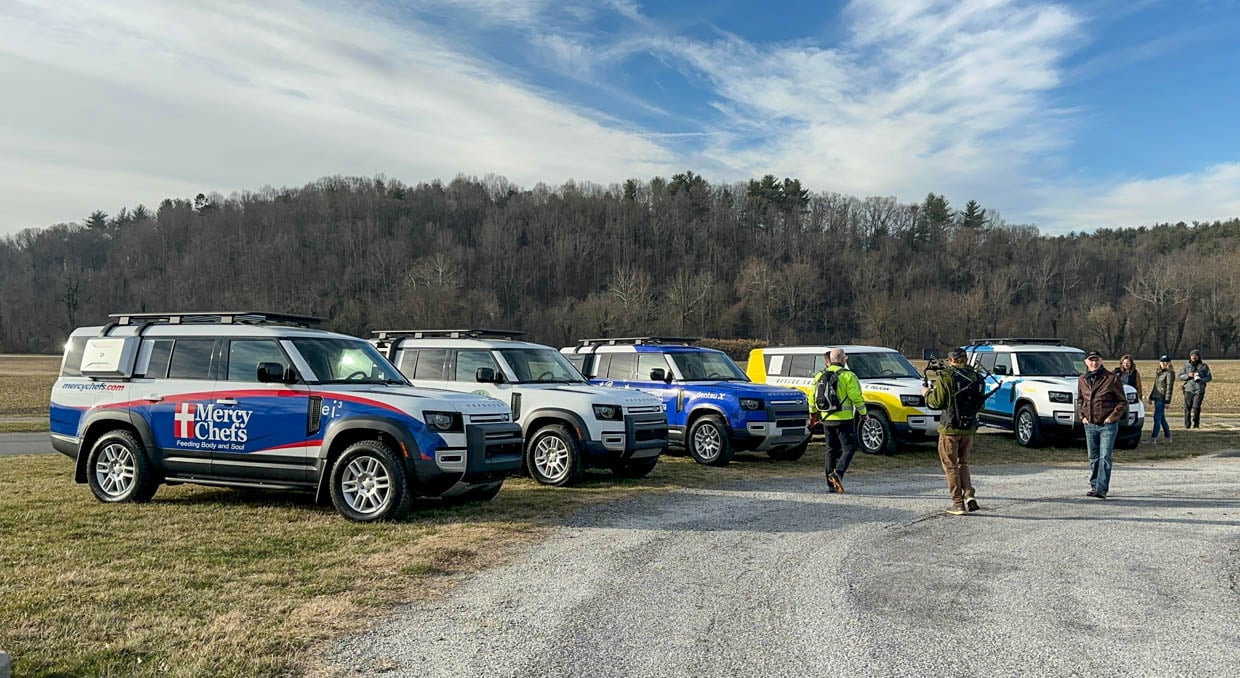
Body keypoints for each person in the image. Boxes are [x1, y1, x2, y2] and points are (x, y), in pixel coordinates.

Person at [923, 348, 984, 515]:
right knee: (962, 463)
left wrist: (927, 393)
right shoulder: (976, 377)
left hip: (950, 428)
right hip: (969, 428)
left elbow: (938, 402)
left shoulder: (946, 376)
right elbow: (981, 403)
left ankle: (958, 503)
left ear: (952, 361)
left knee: (950, 466)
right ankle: (969, 495)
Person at [809, 348, 866, 494]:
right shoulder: (848, 376)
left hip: (826, 419)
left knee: (830, 450)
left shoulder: (820, 375)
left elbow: (811, 396)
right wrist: (863, 413)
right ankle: (838, 473)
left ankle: (830, 485)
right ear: (842, 359)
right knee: (849, 448)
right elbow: (856, 397)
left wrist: (813, 414)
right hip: (844, 419)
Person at [1077, 351, 1127, 499]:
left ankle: (1101, 489)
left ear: (1101, 361)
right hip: (1090, 424)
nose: (1094, 363)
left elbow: (1122, 401)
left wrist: (1112, 417)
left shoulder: (1111, 378)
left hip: (1107, 425)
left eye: (1096, 360)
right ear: (1086, 362)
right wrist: (1082, 416)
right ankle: (1094, 485)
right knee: (1093, 457)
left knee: (1105, 456)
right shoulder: (1082, 379)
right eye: (1091, 361)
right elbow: (1080, 400)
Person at [1178, 349, 1213, 429]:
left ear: (1198, 356)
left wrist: (1201, 380)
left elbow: (1209, 377)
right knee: (1187, 408)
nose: (1193, 357)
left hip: (1199, 390)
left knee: (1196, 407)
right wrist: (1188, 375)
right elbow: (1180, 376)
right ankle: (1187, 425)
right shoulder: (1186, 365)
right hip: (1188, 389)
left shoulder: (1204, 366)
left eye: (1195, 355)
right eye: (1192, 355)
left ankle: (1196, 423)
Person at [1148, 355, 1174, 444]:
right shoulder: (1159, 373)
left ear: (1169, 363)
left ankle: (1154, 437)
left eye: (1166, 362)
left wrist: (1167, 401)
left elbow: (1169, 387)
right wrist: (1151, 397)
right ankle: (1168, 436)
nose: (1164, 364)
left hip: (1162, 398)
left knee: (1157, 418)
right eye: (1162, 362)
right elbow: (1155, 386)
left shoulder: (1169, 373)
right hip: (1156, 397)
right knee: (1162, 419)